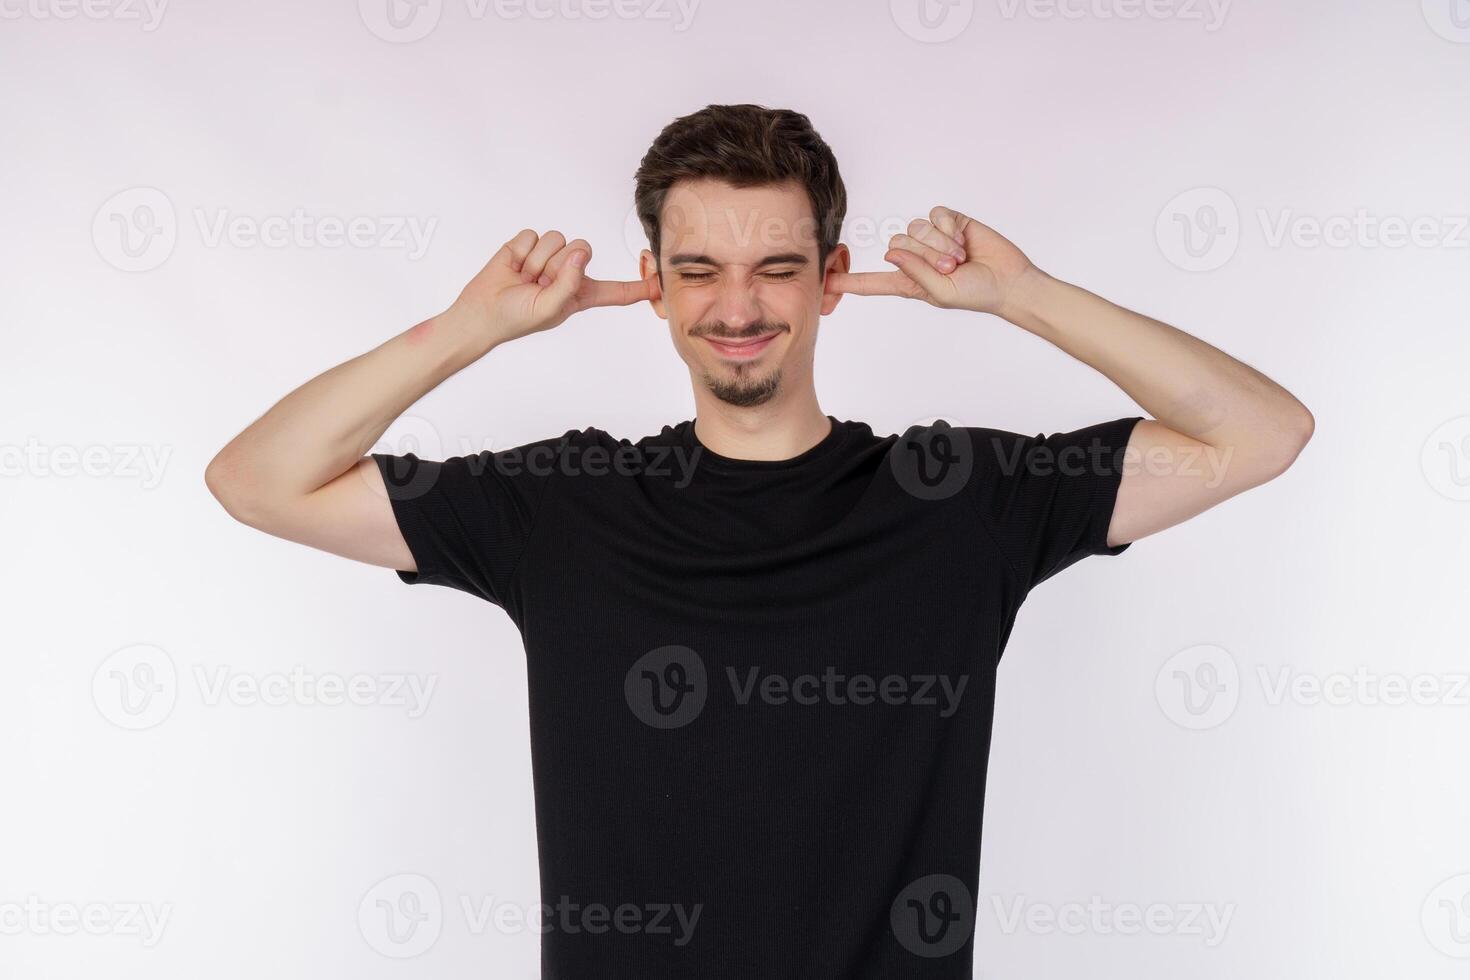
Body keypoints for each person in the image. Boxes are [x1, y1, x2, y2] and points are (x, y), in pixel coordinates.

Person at [205, 103, 1312, 978]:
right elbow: (256, 479)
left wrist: (1026, 297)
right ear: (655, 286)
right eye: (698, 270)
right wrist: (470, 329)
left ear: (833, 277)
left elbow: (1261, 432)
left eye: (777, 267)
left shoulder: (965, 497)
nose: (738, 306)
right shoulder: (561, 502)